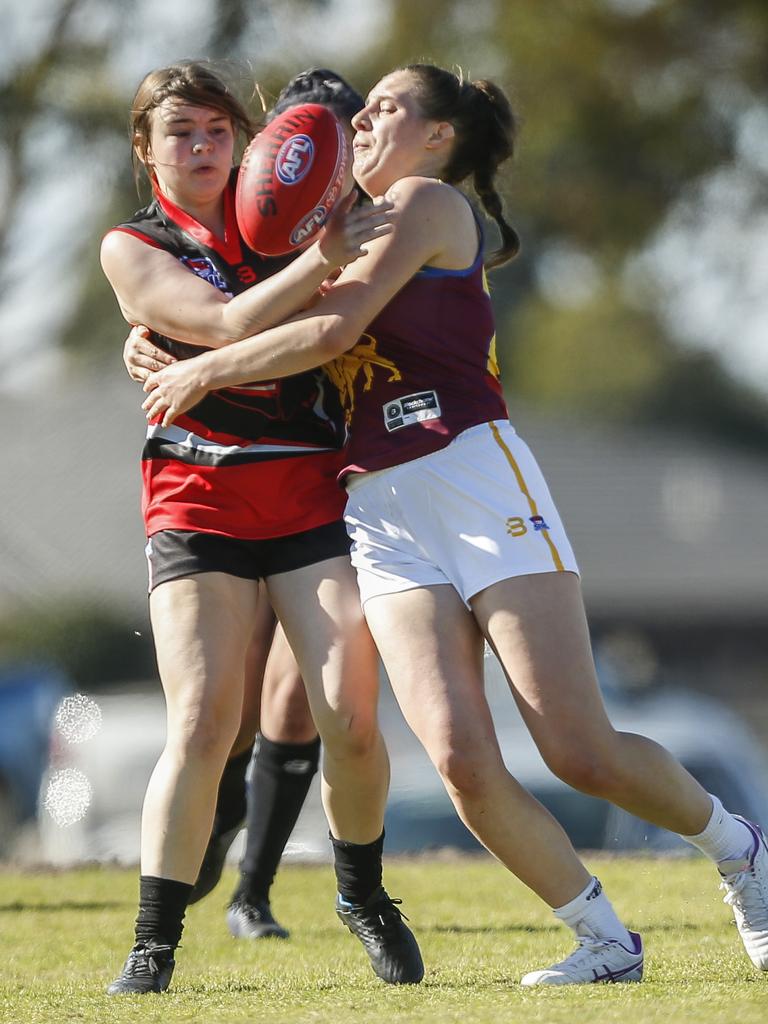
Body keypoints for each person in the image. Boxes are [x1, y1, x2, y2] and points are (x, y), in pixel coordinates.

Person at [142, 62, 768, 985]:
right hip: (381, 509)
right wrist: (177, 336)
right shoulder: (334, 229)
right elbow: (249, 305)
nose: (362, 121)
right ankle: (603, 939)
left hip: (473, 481)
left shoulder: (426, 204)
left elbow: (325, 329)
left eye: (387, 109)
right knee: (462, 764)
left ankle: (740, 851)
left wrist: (203, 366)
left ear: (438, 137)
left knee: (577, 747)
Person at [101, 61, 424, 995]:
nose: (202, 149)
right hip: (197, 506)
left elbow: (350, 325)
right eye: (180, 134)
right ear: (145, 149)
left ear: (246, 139)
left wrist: (335, 249)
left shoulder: (298, 209)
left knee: (351, 716)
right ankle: (152, 947)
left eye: (216, 131)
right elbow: (222, 323)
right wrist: (322, 261)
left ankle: (361, 894)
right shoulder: (134, 244)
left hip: (311, 498)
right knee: (204, 723)